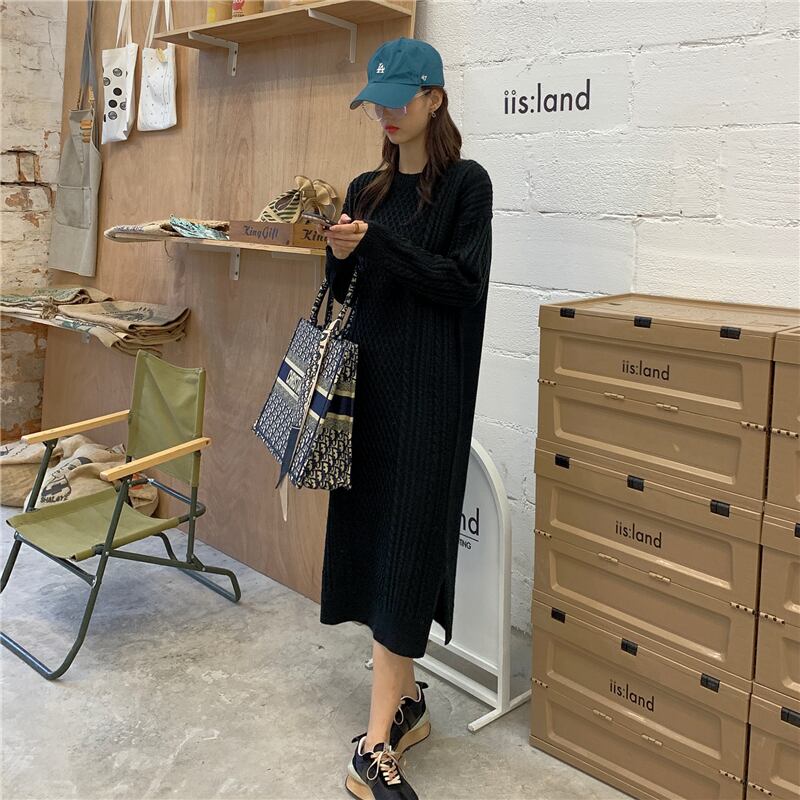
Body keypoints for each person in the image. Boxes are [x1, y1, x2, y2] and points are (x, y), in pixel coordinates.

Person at [314, 36, 493, 800]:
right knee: (375, 550)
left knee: (406, 556)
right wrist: (340, 253)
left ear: (434, 100)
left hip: (428, 403)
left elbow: (462, 283)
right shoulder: (367, 188)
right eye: (376, 105)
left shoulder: (467, 188)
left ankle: (374, 745)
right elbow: (348, 289)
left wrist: (378, 245)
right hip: (368, 398)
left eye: (397, 102)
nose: (384, 115)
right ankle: (408, 703)